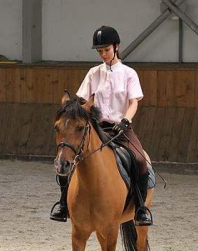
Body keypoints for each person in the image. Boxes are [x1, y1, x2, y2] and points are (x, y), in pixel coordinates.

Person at [50, 25, 153, 226]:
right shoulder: (93, 73)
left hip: (120, 128)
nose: (103, 54)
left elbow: (134, 102)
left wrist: (126, 121)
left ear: (116, 47)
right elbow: (81, 101)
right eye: (99, 51)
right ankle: (63, 203)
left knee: (140, 160)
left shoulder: (129, 73)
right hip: (95, 129)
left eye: (106, 50)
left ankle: (141, 209)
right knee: (66, 158)